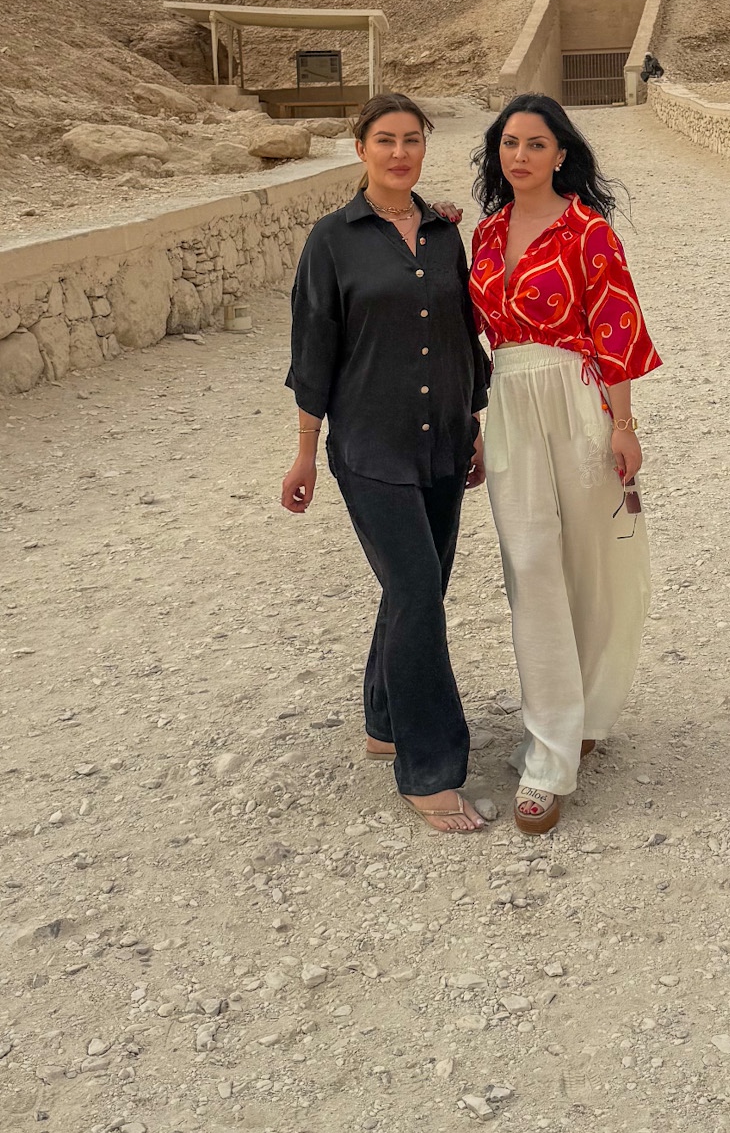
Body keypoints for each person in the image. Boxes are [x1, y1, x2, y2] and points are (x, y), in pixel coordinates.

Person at [281, 92, 490, 834]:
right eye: (384, 140)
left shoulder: (441, 233)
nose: (399, 152)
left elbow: (465, 336)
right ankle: (429, 768)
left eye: (412, 140)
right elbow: (313, 354)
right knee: (418, 590)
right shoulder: (332, 240)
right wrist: (305, 452)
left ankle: (384, 721)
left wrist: (476, 426)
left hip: (441, 439)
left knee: (414, 589)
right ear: (360, 149)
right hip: (369, 448)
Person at [468, 93, 661, 834]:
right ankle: (550, 749)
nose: (520, 156)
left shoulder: (588, 232)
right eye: (509, 143)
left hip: (579, 400)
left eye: (536, 144)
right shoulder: (484, 236)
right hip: (511, 400)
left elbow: (618, 330)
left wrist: (623, 425)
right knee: (532, 569)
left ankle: (584, 711)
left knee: (589, 564)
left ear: (561, 154)